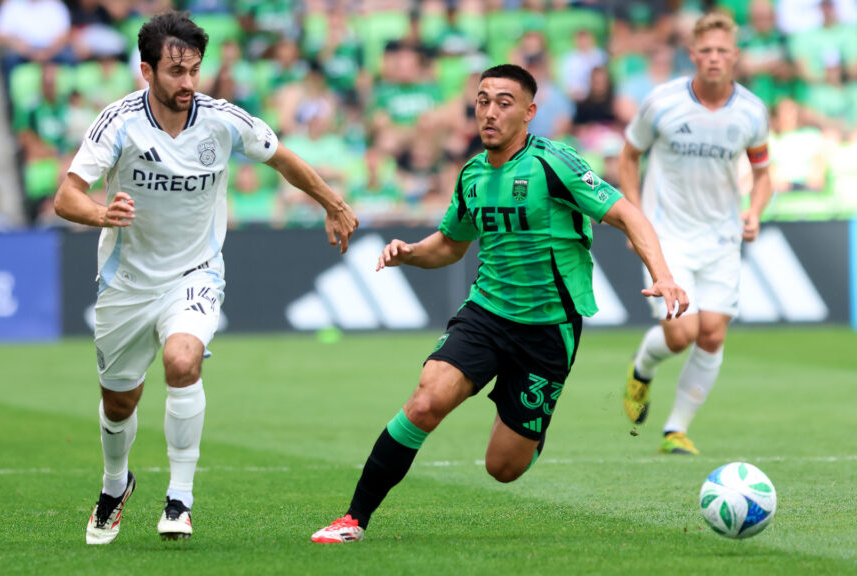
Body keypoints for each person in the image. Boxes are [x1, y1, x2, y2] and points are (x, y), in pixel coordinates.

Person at [311, 63, 689, 544]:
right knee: (426, 400)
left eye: (504, 103)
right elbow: (450, 245)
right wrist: (410, 253)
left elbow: (625, 213)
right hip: (486, 315)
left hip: (548, 329)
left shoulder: (555, 163)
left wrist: (664, 276)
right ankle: (353, 519)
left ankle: (532, 426)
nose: (490, 112)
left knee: (503, 468)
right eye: (483, 100)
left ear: (530, 112)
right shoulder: (470, 174)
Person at [53, 11, 358, 545]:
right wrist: (100, 214)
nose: (188, 83)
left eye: (194, 69)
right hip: (127, 281)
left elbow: (283, 159)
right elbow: (66, 196)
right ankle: (114, 485)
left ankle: (180, 499)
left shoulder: (223, 120)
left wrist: (333, 203)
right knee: (119, 402)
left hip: (194, 273)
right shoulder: (118, 122)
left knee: (182, 359)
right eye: (176, 71)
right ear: (147, 71)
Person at [619, 12, 773, 455]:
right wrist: (635, 217)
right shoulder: (662, 102)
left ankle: (675, 431)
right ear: (693, 54)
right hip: (668, 238)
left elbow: (763, 174)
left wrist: (755, 211)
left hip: (722, 238)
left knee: (712, 335)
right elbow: (629, 157)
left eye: (722, 51)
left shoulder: (751, 112)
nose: (714, 58)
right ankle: (643, 368)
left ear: (735, 57)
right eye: (706, 51)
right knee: (681, 334)